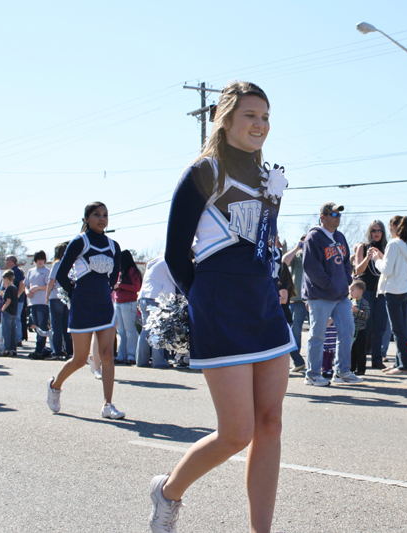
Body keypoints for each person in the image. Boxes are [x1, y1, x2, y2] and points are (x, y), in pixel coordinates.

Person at [153, 81, 296, 533]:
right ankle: (168, 492)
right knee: (237, 432)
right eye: (250, 115)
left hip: (264, 307)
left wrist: (277, 286)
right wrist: (203, 300)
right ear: (226, 118)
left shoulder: (268, 178)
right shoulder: (205, 171)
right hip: (220, 306)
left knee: (270, 423)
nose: (259, 124)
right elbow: (176, 252)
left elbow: (266, 246)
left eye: (265, 117)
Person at [49, 201, 124, 420]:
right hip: (82, 306)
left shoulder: (113, 246)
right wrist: (75, 294)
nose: (102, 219)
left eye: (105, 215)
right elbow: (62, 274)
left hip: (104, 306)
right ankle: (55, 385)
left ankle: (108, 404)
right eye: (96, 214)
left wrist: (105, 290)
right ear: (86, 218)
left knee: (107, 354)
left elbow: (114, 276)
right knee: (80, 359)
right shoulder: (79, 242)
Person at [302, 202, 362, 387]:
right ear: (323, 217)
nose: (338, 218)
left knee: (347, 331)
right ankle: (312, 374)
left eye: (339, 215)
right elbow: (311, 267)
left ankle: (342, 371)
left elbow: (346, 262)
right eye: (334, 214)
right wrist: (329, 284)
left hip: (340, 296)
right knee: (318, 335)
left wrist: (345, 280)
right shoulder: (313, 237)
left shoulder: (340, 236)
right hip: (320, 295)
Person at [370, 215, 407, 374]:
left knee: (398, 330)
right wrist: (382, 258)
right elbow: (395, 266)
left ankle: (405, 365)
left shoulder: (393, 244)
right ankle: (400, 362)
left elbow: (387, 269)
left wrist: (376, 259)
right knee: (402, 330)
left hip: (393, 291)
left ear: (393, 226)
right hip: (405, 289)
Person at [353, 220, 389, 369]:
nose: (376, 233)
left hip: (381, 291)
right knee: (364, 326)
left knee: (380, 326)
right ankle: (359, 360)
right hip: (366, 291)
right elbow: (358, 271)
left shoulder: (387, 247)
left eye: (379, 230)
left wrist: (380, 255)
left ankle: (377, 359)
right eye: (374, 230)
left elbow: (388, 268)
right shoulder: (363, 247)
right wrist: (368, 257)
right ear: (370, 232)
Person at [136, 254, 175, 368]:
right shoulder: (167, 262)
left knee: (145, 330)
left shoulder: (152, 264)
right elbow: (176, 279)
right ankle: (159, 361)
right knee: (158, 331)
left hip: (144, 297)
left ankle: (141, 361)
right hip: (156, 298)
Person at [282, 236, 307, 372]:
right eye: (303, 240)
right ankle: (298, 362)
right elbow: (284, 262)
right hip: (297, 299)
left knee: (319, 331)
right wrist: (297, 248)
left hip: (314, 299)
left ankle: (321, 363)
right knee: (295, 331)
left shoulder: (318, 255)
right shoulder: (297, 256)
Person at [113, 249, 142, 364]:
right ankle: (121, 356)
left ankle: (132, 356)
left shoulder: (132, 270)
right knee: (121, 331)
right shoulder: (121, 272)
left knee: (130, 330)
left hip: (129, 303)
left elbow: (137, 287)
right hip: (118, 303)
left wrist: (121, 285)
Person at [46, 242, 73, 359]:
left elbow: (51, 280)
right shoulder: (70, 263)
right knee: (66, 325)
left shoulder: (57, 264)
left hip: (55, 296)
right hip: (66, 296)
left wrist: (47, 295)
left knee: (56, 325)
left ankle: (58, 351)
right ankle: (69, 350)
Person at [25, 250, 52, 358]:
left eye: (42, 259)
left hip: (43, 302)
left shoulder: (47, 271)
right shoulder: (30, 271)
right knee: (35, 325)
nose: (40, 261)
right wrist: (27, 292)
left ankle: (40, 348)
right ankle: (38, 347)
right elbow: (26, 285)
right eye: (38, 259)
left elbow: (49, 286)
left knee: (42, 326)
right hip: (33, 302)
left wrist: (37, 287)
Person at [348, 280, 370, 375]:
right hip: (351, 330)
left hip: (360, 330)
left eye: (352, 290)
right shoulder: (350, 302)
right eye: (350, 290)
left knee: (360, 350)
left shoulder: (364, 303)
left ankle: (361, 369)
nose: (350, 292)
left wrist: (358, 311)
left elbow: (367, 315)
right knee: (351, 350)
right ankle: (351, 368)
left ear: (360, 291)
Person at [4, 255, 26, 345]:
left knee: (16, 318)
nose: (5, 262)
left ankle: (18, 339)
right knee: (12, 319)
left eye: (6, 260)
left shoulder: (17, 271)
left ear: (11, 261)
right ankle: (13, 339)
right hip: (11, 299)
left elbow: (22, 282)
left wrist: (17, 295)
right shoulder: (11, 271)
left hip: (17, 300)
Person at [0, 270, 19, 356]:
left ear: (6, 279)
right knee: (13, 331)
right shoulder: (15, 288)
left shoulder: (8, 288)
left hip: (7, 312)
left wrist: (2, 309)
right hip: (14, 312)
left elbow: (8, 300)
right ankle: (13, 348)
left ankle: (6, 348)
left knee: (6, 331)